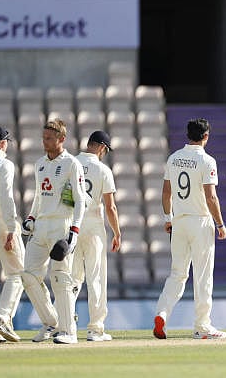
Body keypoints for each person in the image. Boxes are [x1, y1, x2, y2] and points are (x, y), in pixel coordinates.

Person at [153, 118, 226, 340]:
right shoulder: (207, 160)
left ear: (188, 135)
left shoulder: (174, 158)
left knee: (177, 274)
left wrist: (168, 218)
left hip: (179, 221)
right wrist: (221, 224)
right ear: (206, 136)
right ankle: (202, 326)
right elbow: (210, 196)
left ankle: (162, 314)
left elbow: (166, 193)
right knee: (203, 276)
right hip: (200, 221)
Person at [20, 118, 86, 344]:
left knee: (60, 278)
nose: (44, 141)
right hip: (41, 228)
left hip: (61, 225)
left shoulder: (71, 163)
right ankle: (51, 322)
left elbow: (80, 200)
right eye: (43, 137)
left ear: (61, 139)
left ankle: (69, 332)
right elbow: (38, 197)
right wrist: (31, 217)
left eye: (49, 138)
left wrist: (74, 232)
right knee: (28, 275)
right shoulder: (39, 163)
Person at [72, 130, 121, 341]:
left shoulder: (70, 163)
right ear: (102, 147)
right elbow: (110, 207)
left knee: (70, 278)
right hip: (93, 225)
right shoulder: (102, 170)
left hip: (71, 224)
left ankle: (66, 326)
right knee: (96, 278)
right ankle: (95, 329)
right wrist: (117, 232)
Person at [0, 127, 25, 343]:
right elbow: (6, 197)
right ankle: (2, 317)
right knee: (18, 273)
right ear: (3, 143)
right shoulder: (4, 164)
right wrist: (12, 228)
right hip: (0, 222)